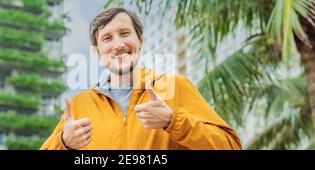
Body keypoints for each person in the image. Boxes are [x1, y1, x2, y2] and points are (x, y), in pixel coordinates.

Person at [40, 7, 242, 150]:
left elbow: (230, 146)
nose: (118, 44)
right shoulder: (79, 106)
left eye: (125, 33)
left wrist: (174, 121)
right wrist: (64, 143)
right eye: (107, 38)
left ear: (140, 39)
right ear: (97, 53)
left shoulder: (175, 87)